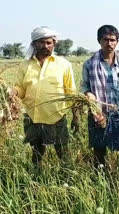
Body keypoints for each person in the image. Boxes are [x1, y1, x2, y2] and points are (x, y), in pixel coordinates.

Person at [12, 26, 78, 167]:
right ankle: (36, 176)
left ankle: (67, 176)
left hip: (56, 116)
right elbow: (21, 88)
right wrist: (13, 92)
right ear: (34, 44)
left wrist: (74, 116)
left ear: (54, 43)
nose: (45, 46)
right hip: (32, 116)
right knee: (36, 151)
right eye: (41, 42)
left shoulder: (63, 64)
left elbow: (71, 92)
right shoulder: (25, 65)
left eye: (49, 42)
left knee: (62, 151)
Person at [81, 25, 119, 168]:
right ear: (99, 40)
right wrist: (88, 94)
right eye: (105, 40)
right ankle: (100, 178)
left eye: (112, 40)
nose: (109, 44)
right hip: (98, 114)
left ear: (117, 41)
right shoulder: (90, 64)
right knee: (99, 150)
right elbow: (84, 86)